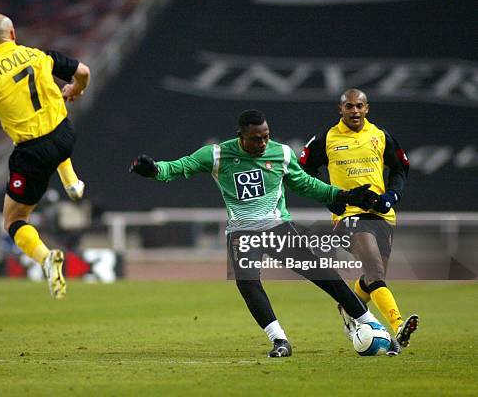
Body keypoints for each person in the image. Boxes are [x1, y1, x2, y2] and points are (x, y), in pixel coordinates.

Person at [130, 109, 397, 357]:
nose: (262, 144)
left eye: (266, 137)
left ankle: (372, 324)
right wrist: (154, 170)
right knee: (248, 284)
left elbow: (306, 184)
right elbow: (180, 167)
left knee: (324, 275)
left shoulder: (281, 153)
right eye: (256, 139)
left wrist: (344, 195)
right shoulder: (216, 155)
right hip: (242, 232)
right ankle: (280, 341)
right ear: (241, 137)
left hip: (277, 227)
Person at [0, 13, 90, 299]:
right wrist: (75, 89)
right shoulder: (40, 55)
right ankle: (72, 183)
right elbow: (84, 72)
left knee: (14, 221)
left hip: (32, 155)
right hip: (65, 135)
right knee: (51, 125)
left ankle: (46, 259)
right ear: (13, 34)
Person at [299, 88, 419, 348]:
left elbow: (400, 168)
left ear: (367, 108)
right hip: (349, 216)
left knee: (372, 278)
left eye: (359, 106)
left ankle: (347, 308)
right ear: (340, 109)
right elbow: (304, 169)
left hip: (382, 214)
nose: (354, 111)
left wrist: (392, 195)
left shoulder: (380, 136)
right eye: (349, 106)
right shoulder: (326, 138)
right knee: (375, 269)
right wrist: (331, 198)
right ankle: (398, 327)